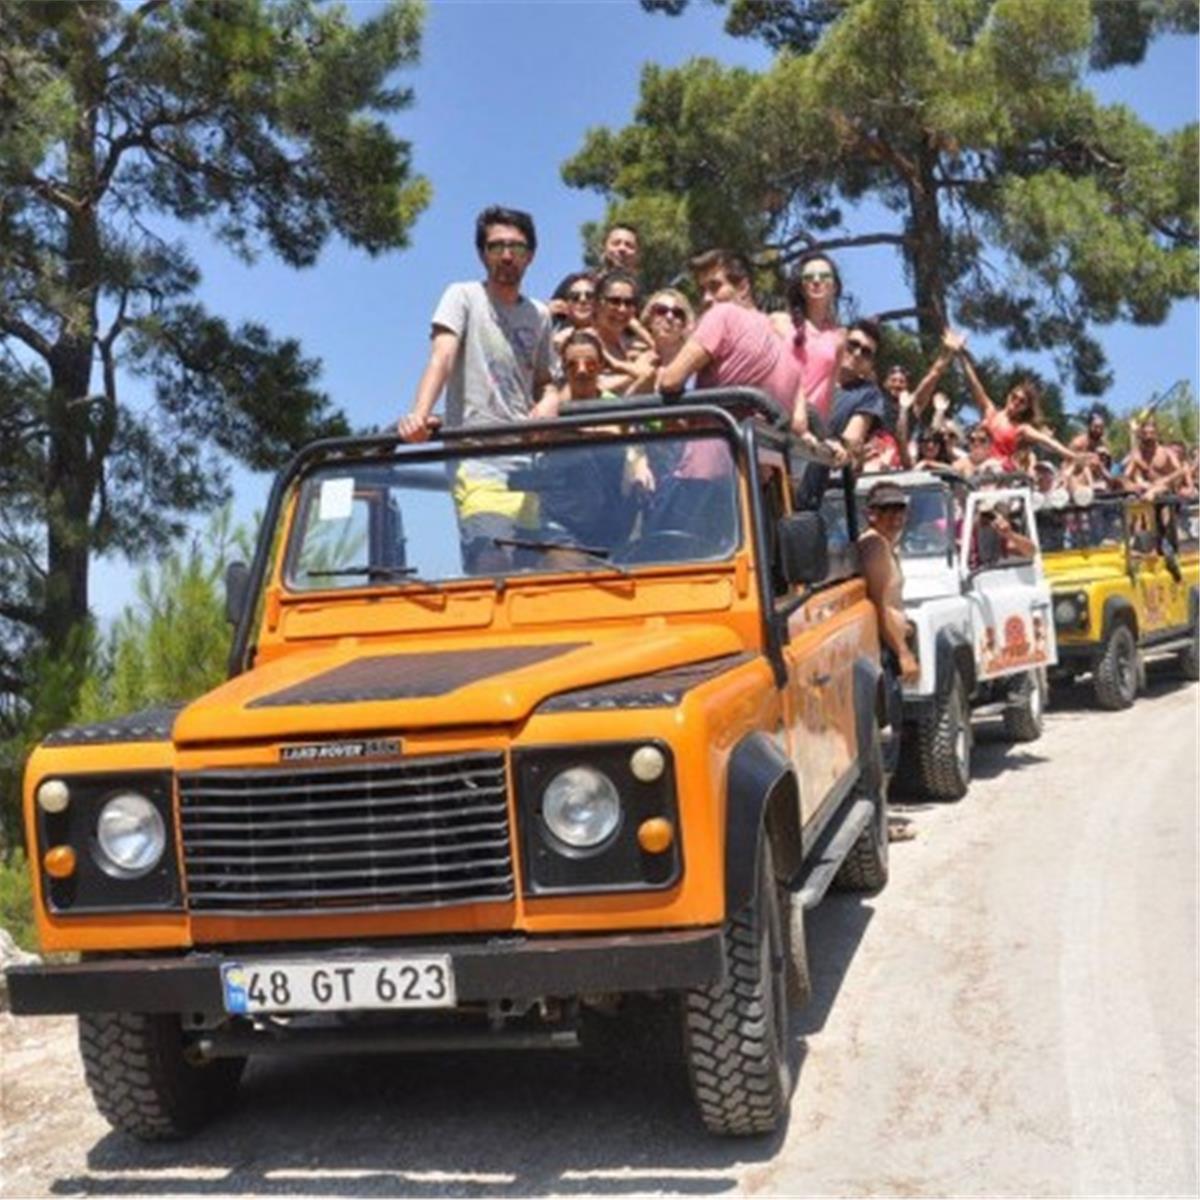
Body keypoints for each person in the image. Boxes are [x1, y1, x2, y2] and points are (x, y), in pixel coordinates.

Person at [396, 205, 556, 571]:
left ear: (530, 255)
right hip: (478, 460)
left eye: (515, 247)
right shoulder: (463, 296)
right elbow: (442, 357)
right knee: (492, 560)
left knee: (533, 572)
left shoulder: (540, 315)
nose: (505, 255)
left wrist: (548, 403)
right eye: (495, 246)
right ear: (483, 254)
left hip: (527, 463)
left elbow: (547, 381)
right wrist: (419, 414)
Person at [656, 249, 806, 434]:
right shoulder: (786, 349)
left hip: (714, 457)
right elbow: (800, 425)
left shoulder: (723, 314)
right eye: (702, 290)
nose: (706, 298)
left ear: (743, 287)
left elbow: (671, 381)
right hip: (764, 459)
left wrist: (661, 373)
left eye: (715, 287)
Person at [957, 352, 1078, 472]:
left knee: (990, 466)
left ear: (1025, 408)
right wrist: (960, 356)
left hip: (998, 470)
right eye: (1014, 396)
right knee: (958, 466)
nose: (1016, 402)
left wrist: (1072, 455)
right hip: (976, 463)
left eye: (1022, 401)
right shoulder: (990, 412)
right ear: (1009, 395)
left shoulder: (1021, 429)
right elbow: (974, 384)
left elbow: (1048, 442)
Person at [773, 251, 845, 427]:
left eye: (824, 276)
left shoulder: (839, 338)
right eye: (809, 277)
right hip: (777, 420)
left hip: (811, 432)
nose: (816, 281)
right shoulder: (779, 323)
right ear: (801, 287)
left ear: (834, 286)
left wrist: (823, 434)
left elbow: (828, 393)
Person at [859, 481, 920, 684]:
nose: (895, 516)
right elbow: (879, 604)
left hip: (891, 645)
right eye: (887, 509)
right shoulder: (874, 545)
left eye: (900, 508)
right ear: (872, 514)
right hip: (884, 649)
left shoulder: (886, 544)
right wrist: (903, 653)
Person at [593, 269, 656, 396]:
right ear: (598, 304)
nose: (622, 309)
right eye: (614, 301)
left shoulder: (630, 347)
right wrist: (638, 373)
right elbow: (593, 388)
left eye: (629, 303)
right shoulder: (587, 342)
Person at [547, 271, 596, 354]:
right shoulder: (553, 343)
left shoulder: (612, 340)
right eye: (575, 297)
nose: (582, 300)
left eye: (589, 296)